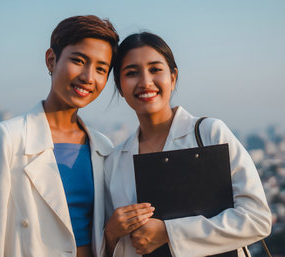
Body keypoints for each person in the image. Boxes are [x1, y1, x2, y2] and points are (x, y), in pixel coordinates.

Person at [0, 15, 151, 257]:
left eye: (101, 69)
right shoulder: (6, 138)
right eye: (79, 60)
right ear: (51, 60)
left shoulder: (103, 147)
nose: (88, 77)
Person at [104, 32, 272, 257]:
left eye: (155, 69)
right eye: (132, 73)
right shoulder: (114, 161)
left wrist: (169, 233)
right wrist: (111, 234)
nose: (145, 82)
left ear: (173, 78)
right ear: (120, 85)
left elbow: (257, 219)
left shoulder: (209, 133)